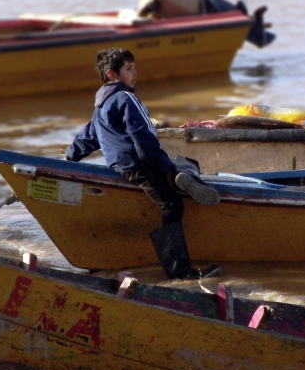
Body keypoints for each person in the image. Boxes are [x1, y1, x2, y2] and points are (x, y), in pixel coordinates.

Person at [65, 48, 221, 280]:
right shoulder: (126, 98)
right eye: (129, 69)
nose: (135, 73)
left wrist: (68, 159)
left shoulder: (101, 106)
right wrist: (165, 170)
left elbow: (88, 138)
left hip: (119, 167)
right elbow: (144, 139)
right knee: (172, 206)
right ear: (112, 74)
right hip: (139, 164)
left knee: (181, 164)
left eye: (134, 67)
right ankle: (181, 272)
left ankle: (183, 175)